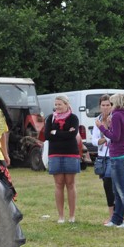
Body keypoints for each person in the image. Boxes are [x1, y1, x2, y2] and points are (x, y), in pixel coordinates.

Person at [96, 93, 124, 228]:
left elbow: (115, 137)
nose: (109, 107)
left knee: (121, 189)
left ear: (116, 104)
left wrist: (102, 127)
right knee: (116, 190)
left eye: (111, 104)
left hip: (118, 156)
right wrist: (109, 126)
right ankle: (117, 218)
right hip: (122, 155)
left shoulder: (117, 116)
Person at [44, 95, 80, 223]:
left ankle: (72, 216)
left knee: (70, 184)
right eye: (56, 104)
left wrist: (56, 133)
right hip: (55, 154)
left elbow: (73, 135)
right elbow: (47, 135)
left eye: (60, 104)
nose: (57, 107)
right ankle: (61, 216)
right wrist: (63, 133)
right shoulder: (50, 118)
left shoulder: (74, 118)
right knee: (59, 184)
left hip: (71, 153)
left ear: (66, 104)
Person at [91, 95, 114, 224]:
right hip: (101, 156)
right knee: (106, 185)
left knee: (111, 182)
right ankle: (111, 214)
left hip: (113, 155)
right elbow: (93, 140)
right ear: (100, 106)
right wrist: (104, 139)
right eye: (103, 105)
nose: (105, 107)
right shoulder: (97, 120)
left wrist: (105, 137)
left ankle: (116, 214)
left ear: (112, 106)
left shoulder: (114, 118)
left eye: (108, 105)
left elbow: (114, 137)